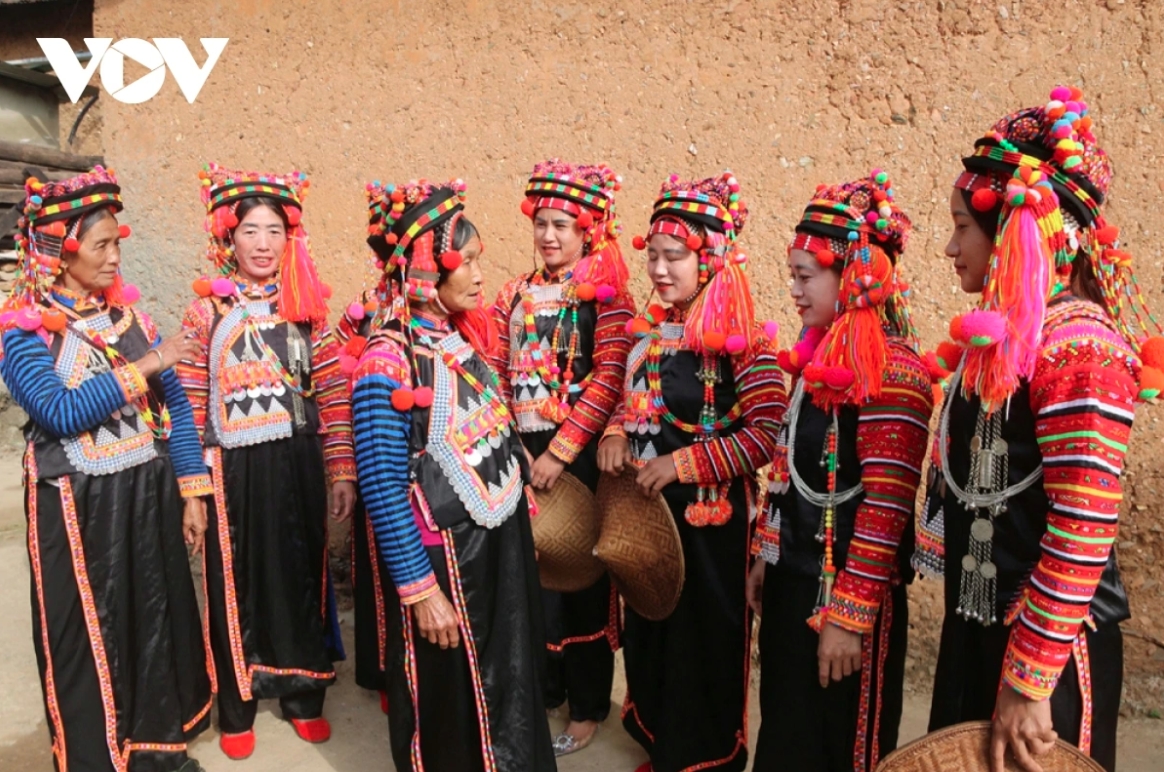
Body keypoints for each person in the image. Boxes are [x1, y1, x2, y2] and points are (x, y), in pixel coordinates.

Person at [926, 85, 1164, 772]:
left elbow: (1083, 523)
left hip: (1048, 655)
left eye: (962, 227)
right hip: (982, 627)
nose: (950, 247)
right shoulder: (1003, 342)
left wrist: (1028, 678)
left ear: (1012, 229)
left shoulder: (1079, 347)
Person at [0, 166, 213, 772]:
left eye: (117, 242)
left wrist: (192, 491)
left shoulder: (129, 320)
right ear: (62, 252)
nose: (115, 257)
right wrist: (146, 365)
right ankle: (97, 758)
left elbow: (176, 408)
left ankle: (158, 750)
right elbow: (59, 412)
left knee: (153, 618)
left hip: (146, 492)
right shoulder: (22, 330)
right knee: (89, 632)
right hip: (76, 504)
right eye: (101, 246)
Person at [351, 179, 557, 771]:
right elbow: (383, 488)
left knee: (507, 680)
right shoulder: (386, 362)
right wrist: (420, 591)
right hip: (445, 562)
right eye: (464, 262)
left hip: (492, 548)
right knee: (453, 701)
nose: (477, 274)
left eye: (475, 260)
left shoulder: (455, 339)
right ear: (423, 268)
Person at [599, 172, 785, 772]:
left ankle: (702, 760)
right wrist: (615, 432)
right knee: (653, 629)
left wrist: (683, 463)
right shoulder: (653, 332)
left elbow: (767, 433)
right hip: (650, 518)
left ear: (709, 260)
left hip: (711, 525)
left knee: (702, 640)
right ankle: (662, 745)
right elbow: (636, 401)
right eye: (652, 255)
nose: (658, 269)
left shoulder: (742, 342)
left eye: (673, 257)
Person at [747, 171, 932, 772]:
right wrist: (766, 554)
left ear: (852, 275)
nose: (794, 291)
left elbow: (886, 507)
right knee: (786, 733)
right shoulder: (817, 356)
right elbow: (788, 469)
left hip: (847, 599)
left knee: (839, 745)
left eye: (805, 277)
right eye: (793, 276)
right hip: (794, 583)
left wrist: (849, 618)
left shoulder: (893, 371)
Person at [177, 163, 356, 760]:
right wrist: (193, 486)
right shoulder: (206, 310)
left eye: (274, 231)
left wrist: (341, 469)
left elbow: (332, 392)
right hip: (233, 472)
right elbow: (189, 398)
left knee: (302, 573)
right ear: (228, 237)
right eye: (250, 230)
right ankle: (238, 706)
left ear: (290, 237)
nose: (262, 243)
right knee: (236, 584)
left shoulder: (305, 304)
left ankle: (303, 696)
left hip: (299, 463)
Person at [489, 159, 634, 756]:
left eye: (562, 226)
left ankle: (588, 704)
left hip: (577, 459)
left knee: (581, 581)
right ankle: (545, 689)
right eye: (541, 223)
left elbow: (609, 378)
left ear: (588, 231)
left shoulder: (608, 297)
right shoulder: (513, 294)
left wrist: (559, 451)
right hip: (522, 455)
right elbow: (495, 371)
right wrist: (516, 448)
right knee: (535, 576)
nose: (548, 236)